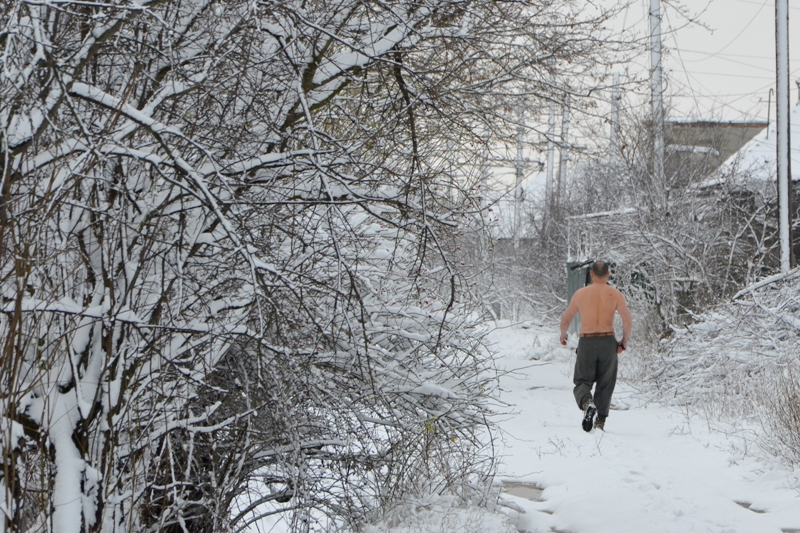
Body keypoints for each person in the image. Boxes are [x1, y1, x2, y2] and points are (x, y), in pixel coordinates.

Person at [559, 261, 632, 432]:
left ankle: (587, 403)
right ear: (608, 274)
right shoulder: (615, 294)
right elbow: (627, 320)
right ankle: (600, 421)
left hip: (587, 341)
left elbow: (565, 320)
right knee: (606, 382)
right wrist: (623, 342)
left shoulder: (581, 294)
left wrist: (563, 335)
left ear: (591, 274)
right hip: (607, 341)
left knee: (582, 380)